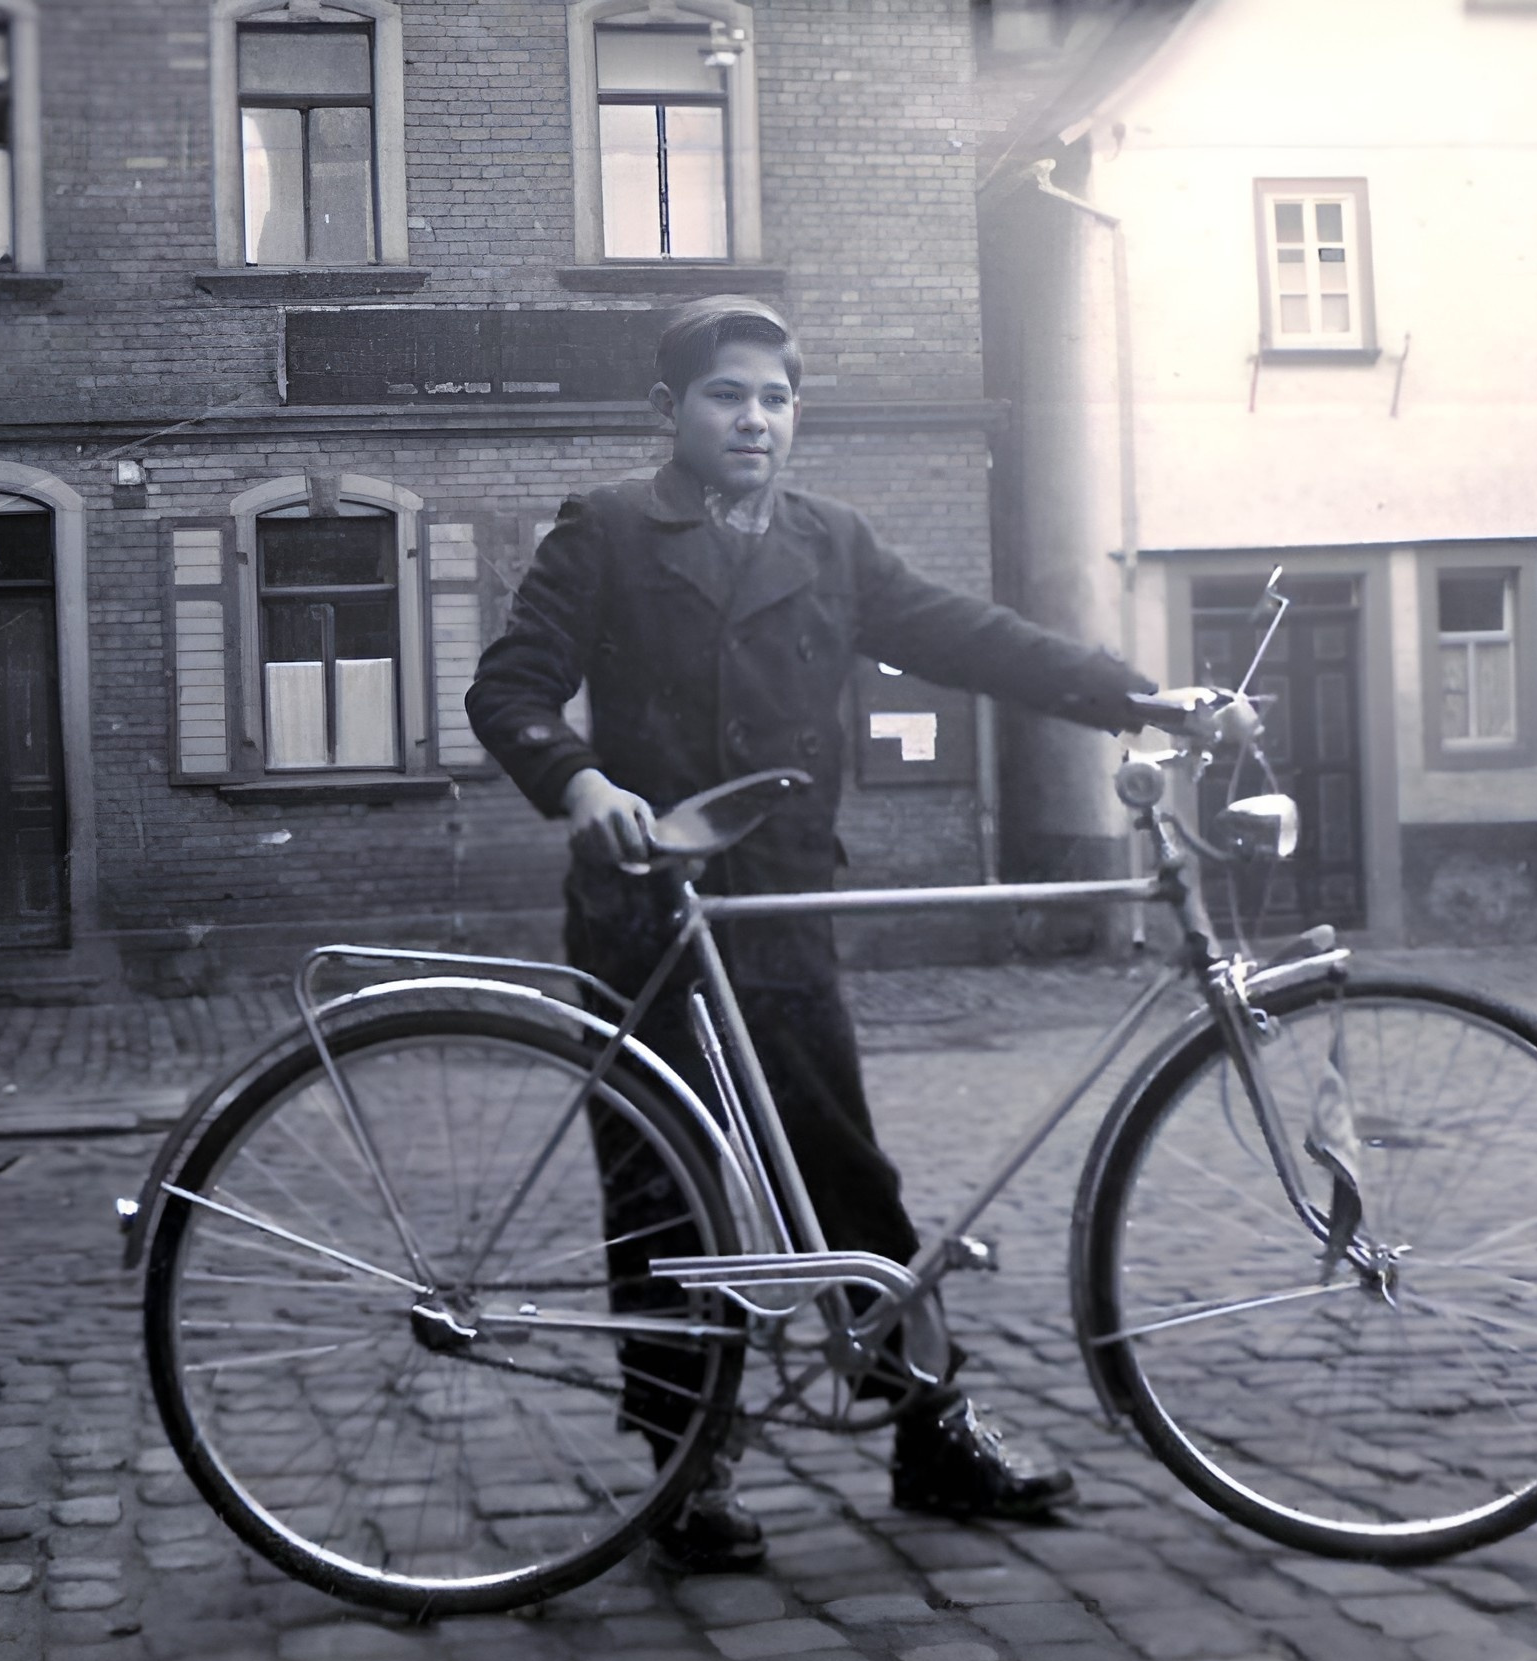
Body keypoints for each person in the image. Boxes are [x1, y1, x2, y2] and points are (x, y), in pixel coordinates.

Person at [468, 297, 1159, 1573]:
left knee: (843, 1171)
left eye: (776, 398)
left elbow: (965, 636)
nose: (755, 419)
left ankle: (926, 1425)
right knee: (663, 1193)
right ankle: (688, 1466)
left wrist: (1131, 696)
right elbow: (508, 686)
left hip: (780, 906)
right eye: (728, 395)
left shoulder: (832, 542)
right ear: (669, 412)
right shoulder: (609, 529)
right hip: (646, 911)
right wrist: (582, 786)